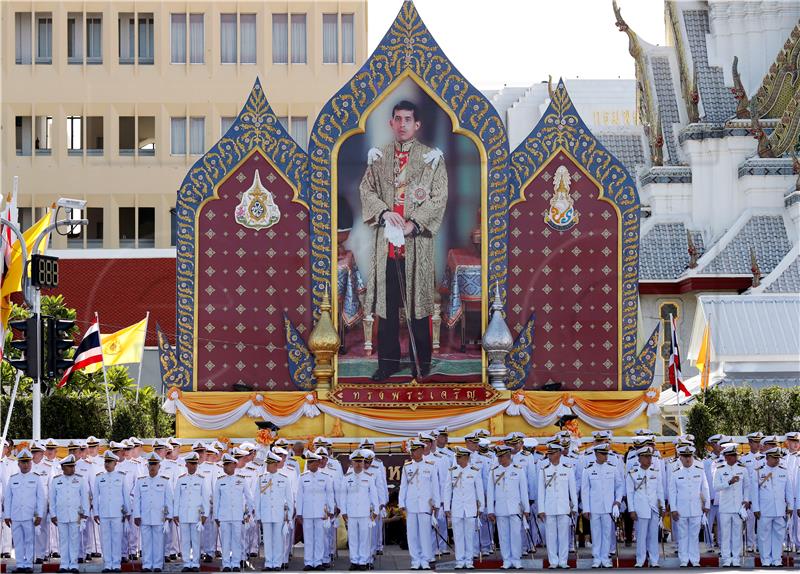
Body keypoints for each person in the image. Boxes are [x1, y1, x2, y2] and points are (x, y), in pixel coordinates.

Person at [359, 99, 449, 382]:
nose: (402, 124)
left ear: (417, 124)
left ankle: (420, 363)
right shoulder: (379, 156)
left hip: (416, 243)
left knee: (418, 308)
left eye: (408, 119)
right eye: (397, 118)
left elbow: (439, 197)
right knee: (386, 309)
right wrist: (385, 212)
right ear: (391, 123)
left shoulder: (431, 158)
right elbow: (366, 190)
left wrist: (415, 223)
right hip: (386, 244)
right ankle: (387, 364)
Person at [398, 440, 440, 570]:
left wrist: (436, 504)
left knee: (425, 534)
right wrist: (401, 503)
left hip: (425, 505)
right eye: (412, 450)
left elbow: (435, 487)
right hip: (411, 505)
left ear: (421, 451)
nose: (413, 453)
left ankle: (425, 560)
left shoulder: (430, 466)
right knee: (412, 534)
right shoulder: (407, 467)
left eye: (415, 450)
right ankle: (415, 560)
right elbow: (403, 486)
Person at [580, 444, 622, 568]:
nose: (606, 456)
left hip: (608, 507)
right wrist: (586, 508)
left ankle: (605, 557)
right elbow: (585, 490)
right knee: (596, 533)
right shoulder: (588, 469)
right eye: (603, 454)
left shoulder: (612, 468)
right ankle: (596, 557)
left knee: (607, 533)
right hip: (594, 507)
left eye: (606, 454)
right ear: (597, 454)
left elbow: (619, 486)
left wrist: (618, 501)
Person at [4, 448, 46, 573]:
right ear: (19, 464)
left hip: (30, 516)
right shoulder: (13, 478)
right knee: (18, 542)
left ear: (31, 463)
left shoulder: (36, 478)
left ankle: (28, 564)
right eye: (23, 462)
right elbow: (8, 499)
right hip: (16, 515)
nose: (26, 464)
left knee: (29, 541)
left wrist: (39, 514)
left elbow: (40, 498)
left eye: (28, 462)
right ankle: (20, 564)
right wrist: (7, 515)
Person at [487, 445, 529, 570]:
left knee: (516, 534)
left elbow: (523, 491)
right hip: (500, 509)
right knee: (503, 536)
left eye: (501, 457)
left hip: (515, 508)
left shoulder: (518, 470)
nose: (499, 459)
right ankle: (506, 560)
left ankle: (516, 559)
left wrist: (526, 509)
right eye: (498, 457)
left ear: (508, 456)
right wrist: (490, 510)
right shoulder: (494, 471)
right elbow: (490, 493)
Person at [751, 447, 794, 567]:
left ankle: (776, 560)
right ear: (767, 458)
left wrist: (790, 506)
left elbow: (788, 491)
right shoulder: (758, 471)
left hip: (779, 509)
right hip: (764, 510)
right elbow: (754, 492)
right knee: (763, 536)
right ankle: (765, 560)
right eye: (774, 458)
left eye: (778, 458)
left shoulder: (784, 471)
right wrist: (756, 508)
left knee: (779, 536)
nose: (777, 460)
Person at [537, 443, 578, 570]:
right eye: (549, 453)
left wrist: (575, 507)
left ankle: (563, 561)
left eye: (553, 453)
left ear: (560, 454)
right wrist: (541, 509)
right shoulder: (544, 471)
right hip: (549, 508)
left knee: (564, 536)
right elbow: (541, 492)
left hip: (564, 508)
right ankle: (553, 561)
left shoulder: (568, 469)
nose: (550, 456)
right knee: (551, 536)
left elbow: (573, 490)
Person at [668, 445, 709, 568]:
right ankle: (684, 560)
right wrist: (673, 509)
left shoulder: (699, 470)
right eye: (685, 456)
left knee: (694, 536)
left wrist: (706, 505)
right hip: (681, 510)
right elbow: (672, 492)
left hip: (696, 509)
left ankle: (695, 560)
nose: (687, 459)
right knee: (682, 535)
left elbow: (705, 488)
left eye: (689, 456)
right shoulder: (675, 473)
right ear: (680, 457)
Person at [132, 452, 174, 573]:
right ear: (147, 466)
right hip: (145, 517)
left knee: (158, 542)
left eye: (155, 464)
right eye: (150, 464)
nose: (152, 467)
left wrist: (169, 516)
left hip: (159, 517)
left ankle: (157, 565)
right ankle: (146, 564)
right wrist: (137, 515)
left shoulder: (165, 481)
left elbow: (169, 500)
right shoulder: (140, 481)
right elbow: (136, 500)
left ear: (159, 466)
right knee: (146, 542)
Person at [443, 447, 484, 570]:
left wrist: (481, 507)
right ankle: (460, 560)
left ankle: (469, 560)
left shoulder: (475, 471)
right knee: (458, 535)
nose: (457, 459)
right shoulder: (452, 471)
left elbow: (480, 490)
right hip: (456, 508)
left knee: (470, 536)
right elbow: (447, 490)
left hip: (470, 508)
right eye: (456, 457)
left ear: (466, 458)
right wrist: (446, 506)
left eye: (459, 457)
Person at [49, 454, 90, 574]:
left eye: (73, 466)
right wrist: (53, 514)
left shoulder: (80, 479)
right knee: (63, 540)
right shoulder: (56, 480)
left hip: (75, 515)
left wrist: (85, 513)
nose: (72, 469)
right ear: (62, 468)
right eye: (69, 467)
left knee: (74, 540)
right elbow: (52, 499)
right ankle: (64, 564)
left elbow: (84, 498)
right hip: (61, 515)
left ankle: (73, 564)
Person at [625, 446, 664, 568]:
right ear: (640, 458)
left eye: (650, 456)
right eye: (646, 457)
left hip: (653, 508)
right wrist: (631, 510)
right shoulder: (633, 473)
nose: (649, 459)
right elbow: (629, 493)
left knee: (653, 535)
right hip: (640, 508)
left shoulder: (656, 472)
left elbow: (660, 491)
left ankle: (654, 560)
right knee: (641, 536)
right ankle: (640, 560)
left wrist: (662, 506)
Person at [296, 450, 334, 571]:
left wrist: (330, 510)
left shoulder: (325, 477)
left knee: (319, 538)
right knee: (308, 538)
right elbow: (299, 496)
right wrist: (299, 513)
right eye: (308, 462)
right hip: (307, 513)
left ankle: (318, 562)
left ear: (318, 463)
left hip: (321, 512)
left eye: (312, 462)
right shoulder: (302, 477)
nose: (309, 464)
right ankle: (308, 562)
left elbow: (330, 495)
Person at [341, 450, 379, 571]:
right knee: (353, 538)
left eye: (360, 462)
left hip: (364, 513)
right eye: (356, 462)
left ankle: (363, 561)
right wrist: (344, 511)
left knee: (364, 538)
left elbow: (374, 495)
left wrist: (376, 510)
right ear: (352, 462)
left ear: (363, 463)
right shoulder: (346, 478)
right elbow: (343, 496)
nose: (358, 464)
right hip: (351, 512)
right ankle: (354, 561)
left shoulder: (369, 477)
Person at [255, 451, 293, 572]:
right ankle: (268, 563)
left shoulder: (284, 479)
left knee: (278, 539)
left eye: (270, 464)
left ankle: (277, 563)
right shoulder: (261, 479)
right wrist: (258, 515)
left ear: (276, 465)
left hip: (279, 514)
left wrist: (289, 516)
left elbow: (290, 499)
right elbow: (257, 498)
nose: (267, 466)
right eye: (267, 464)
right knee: (267, 539)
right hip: (266, 513)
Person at [713, 443, 750, 567]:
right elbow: (716, 487)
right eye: (732, 455)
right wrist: (729, 482)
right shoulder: (719, 470)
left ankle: (736, 558)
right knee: (725, 534)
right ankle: (726, 558)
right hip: (725, 507)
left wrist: (746, 500)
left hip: (738, 507)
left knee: (737, 534)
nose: (735, 458)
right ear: (726, 457)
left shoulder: (743, 469)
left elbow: (747, 486)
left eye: (735, 455)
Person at [214, 453, 252, 573]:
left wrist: (249, 513)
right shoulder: (220, 481)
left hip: (237, 515)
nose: (225, 467)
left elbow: (249, 497)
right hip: (224, 516)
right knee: (225, 541)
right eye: (224, 465)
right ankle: (226, 564)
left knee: (236, 540)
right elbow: (216, 500)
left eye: (228, 465)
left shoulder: (241, 479)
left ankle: (235, 563)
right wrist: (216, 516)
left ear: (234, 465)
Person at [93, 450, 129, 573]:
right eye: (105, 462)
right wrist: (96, 512)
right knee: (105, 539)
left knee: (117, 539)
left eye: (109, 462)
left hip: (117, 513)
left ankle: (116, 564)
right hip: (103, 513)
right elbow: (95, 496)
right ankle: (108, 564)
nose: (107, 464)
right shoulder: (99, 477)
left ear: (115, 463)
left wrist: (127, 512)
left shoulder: (121, 477)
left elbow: (126, 496)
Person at [173, 452, 209, 572]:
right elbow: (177, 498)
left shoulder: (201, 479)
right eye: (191, 464)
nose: (194, 466)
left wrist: (205, 514)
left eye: (195, 464)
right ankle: (187, 563)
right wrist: (175, 513)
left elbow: (205, 498)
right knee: (185, 540)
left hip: (196, 515)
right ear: (186, 464)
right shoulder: (181, 479)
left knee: (196, 540)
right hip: (183, 514)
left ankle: (195, 563)